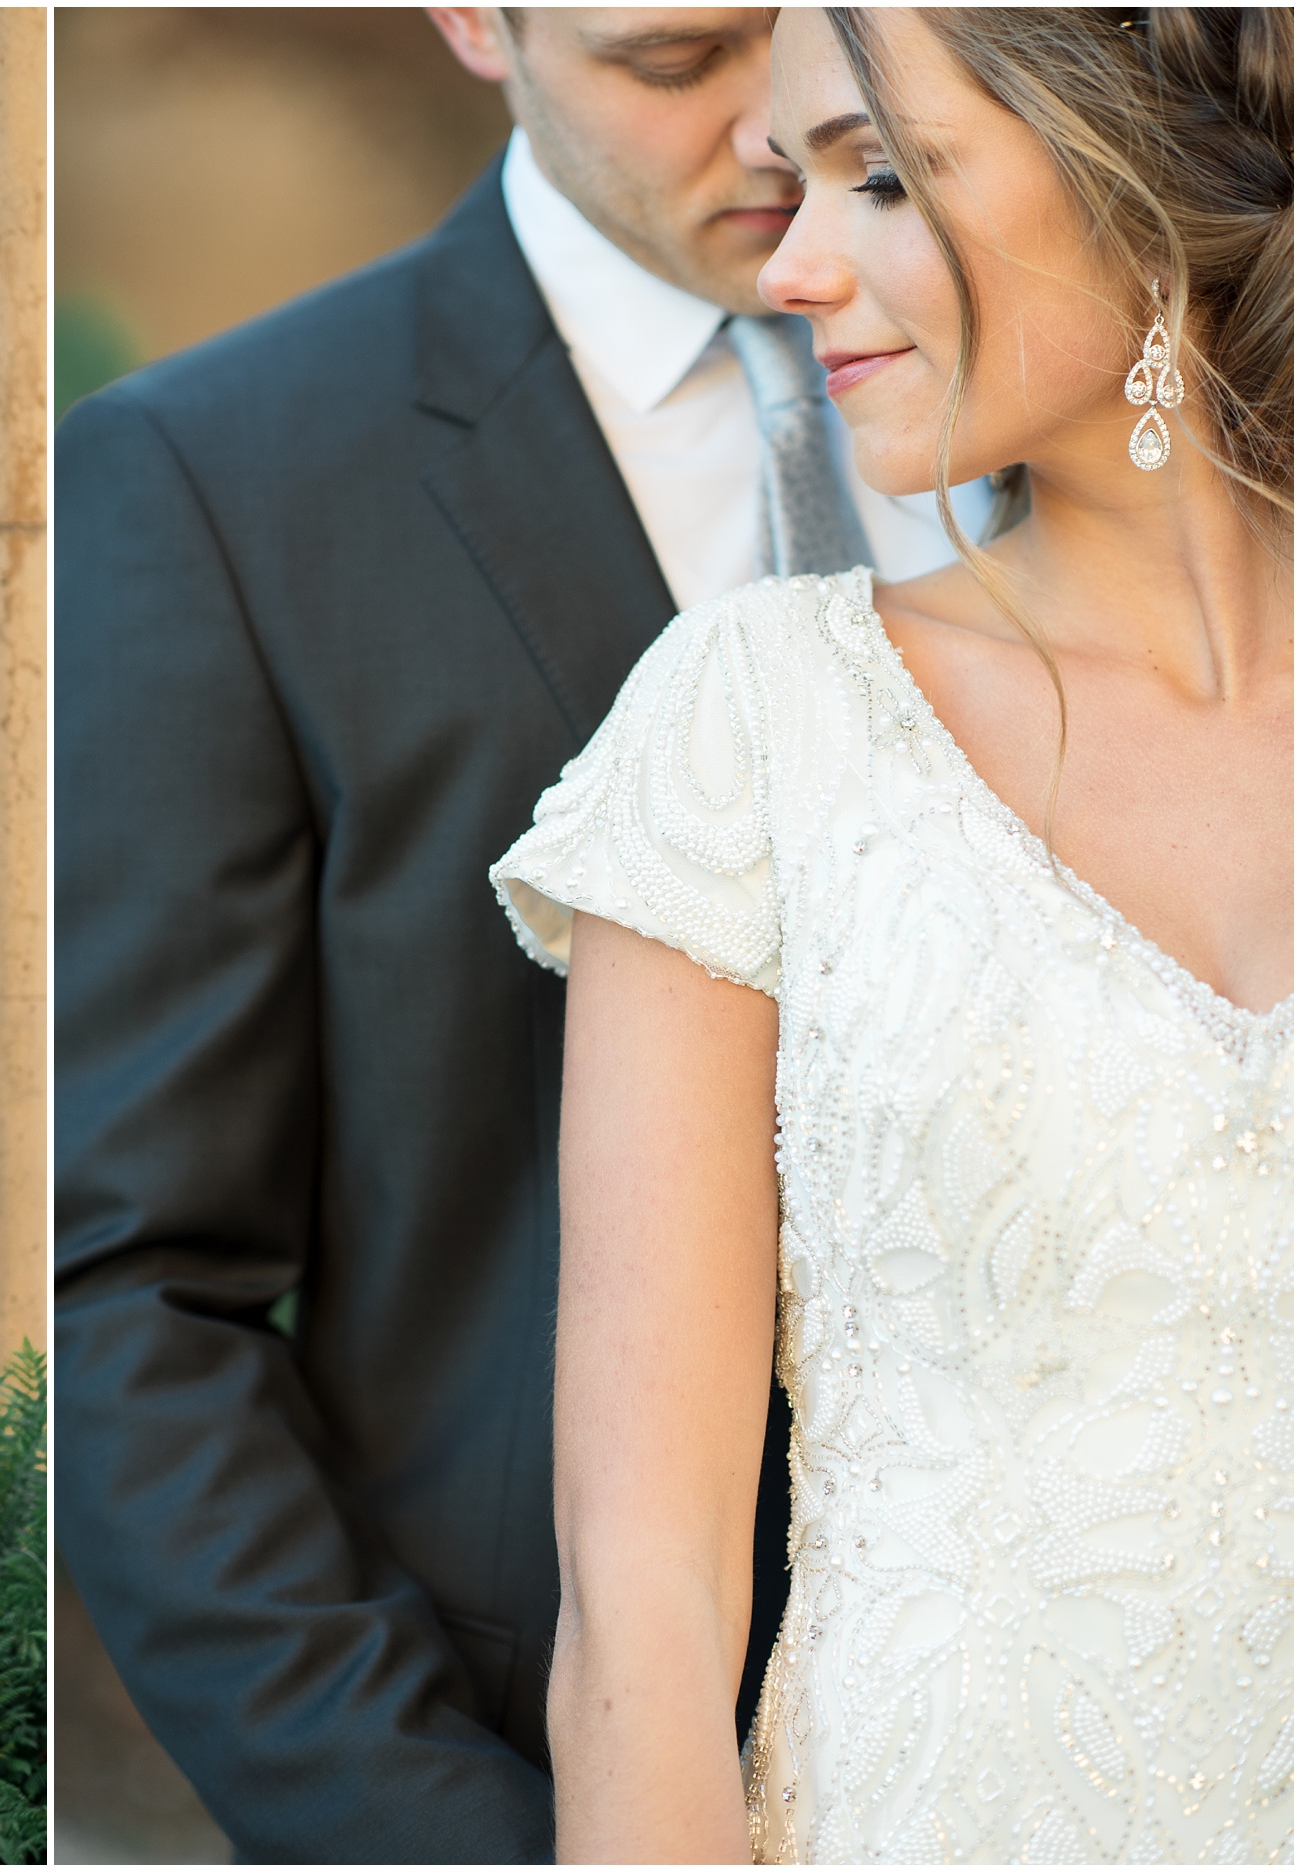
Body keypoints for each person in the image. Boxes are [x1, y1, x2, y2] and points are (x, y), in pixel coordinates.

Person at [56, 8, 984, 1858]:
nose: (786, 135)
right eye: (678, 60)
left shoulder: (1121, 414)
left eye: (832, 38)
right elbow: (134, 1291)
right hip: (526, 1759)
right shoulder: (216, 483)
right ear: (478, 19)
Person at [492, 7, 1291, 1861]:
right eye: (794, 184)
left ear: (1140, 174)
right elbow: (645, 1596)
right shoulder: (758, 724)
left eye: (878, 173)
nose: (794, 264)